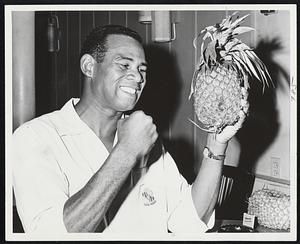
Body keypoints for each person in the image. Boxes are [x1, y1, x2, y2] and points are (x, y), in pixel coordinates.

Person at [12, 25, 248, 234]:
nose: (137, 77)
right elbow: (49, 234)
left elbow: (187, 220)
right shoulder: (35, 137)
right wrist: (125, 152)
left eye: (142, 70)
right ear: (89, 66)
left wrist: (217, 143)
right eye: (124, 65)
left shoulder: (146, 138)